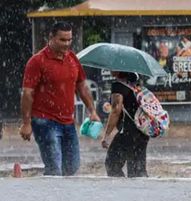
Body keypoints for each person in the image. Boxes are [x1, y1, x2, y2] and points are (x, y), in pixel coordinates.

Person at [20, 21, 100, 176]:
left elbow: (82, 86)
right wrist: (26, 123)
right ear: (51, 37)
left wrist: (92, 111)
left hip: (68, 121)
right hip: (44, 121)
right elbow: (27, 93)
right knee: (54, 168)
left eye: (69, 39)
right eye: (62, 40)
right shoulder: (37, 61)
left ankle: (61, 197)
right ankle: (49, 197)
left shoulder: (72, 58)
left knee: (72, 167)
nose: (67, 44)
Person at [101, 71, 149, 177]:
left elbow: (116, 111)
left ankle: (123, 192)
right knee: (138, 169)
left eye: (112, 67)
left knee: (112, 164)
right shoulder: (136, 82)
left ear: (119, 69)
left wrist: (106, 135)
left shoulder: (118, 85)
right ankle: (144, 191)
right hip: (143, 130)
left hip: (128, 131)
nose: (110, 69)